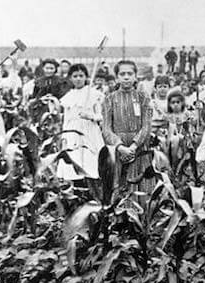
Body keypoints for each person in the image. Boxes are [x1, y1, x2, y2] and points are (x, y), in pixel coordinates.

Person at [101, 60, 154, 194]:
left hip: (139, 148)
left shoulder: (143, 97)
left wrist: (134, 147)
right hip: (118, 149)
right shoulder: (109, 99)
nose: (126, 77)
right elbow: (106, 129)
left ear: (135, 76)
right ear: (117, 77)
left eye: (130, 73)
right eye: (122, 74)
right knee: (119, 185)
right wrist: (120, 147)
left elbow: (147, 126)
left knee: (141, 184)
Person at [57, 64, 103, 182]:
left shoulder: (93, 94)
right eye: (75, 76)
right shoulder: (68, 96)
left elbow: (101, 116)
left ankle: (90, 189)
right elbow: (66, 120)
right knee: (73, 162)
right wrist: (64, 137)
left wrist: (90, 116)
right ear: (71, 78)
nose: (78, 79)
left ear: (86, 77)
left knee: (90, 162)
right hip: (72, 132)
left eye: (81, 76)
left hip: (89, 131)